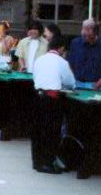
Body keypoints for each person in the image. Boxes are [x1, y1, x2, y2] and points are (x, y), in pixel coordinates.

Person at [30, 33, 76, 174]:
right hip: (52, 99)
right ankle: (47, 163)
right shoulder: (62, 62)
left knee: (37, 130)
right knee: (51, 131)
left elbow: (35, 77)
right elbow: (70, 82)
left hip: (37, 96)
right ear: (61, 48)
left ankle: (37, 162)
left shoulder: (40, 59)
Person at [68, 19, 101, 89]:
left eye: (89, 35)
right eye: (83, 35)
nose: (85, 37)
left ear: (96, 33)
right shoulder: (75, 43)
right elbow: (70, 63)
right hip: (77, 83)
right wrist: (72, 80)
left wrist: (99, 83)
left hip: (96, 85)